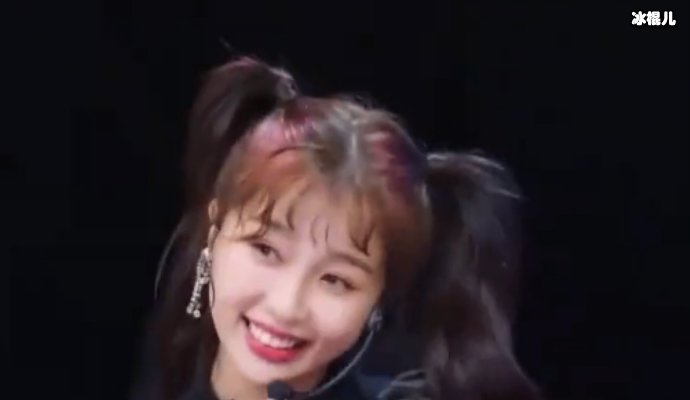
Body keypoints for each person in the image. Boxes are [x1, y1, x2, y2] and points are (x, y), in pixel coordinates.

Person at [130, 57, 540, 400]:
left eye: (335, 280)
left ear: (377, 302)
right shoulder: (174, 346)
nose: (286, 306)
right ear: (214, 230)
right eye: (265, 250)